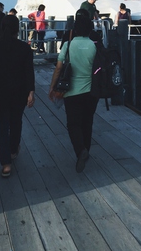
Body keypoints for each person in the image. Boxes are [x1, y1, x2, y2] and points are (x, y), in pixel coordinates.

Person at [0, 15, 35, 178]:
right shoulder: (24, 48)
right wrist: (31, 92)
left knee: (1, 126)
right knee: (16, 122)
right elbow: (29, 72)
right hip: (19, 93)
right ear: (17, 29)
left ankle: (5, 164)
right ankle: (13, 150)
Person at [49, 9, 98, 173]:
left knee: (73, 124)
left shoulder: (68, 45)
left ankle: (80, 150)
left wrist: (52, 87)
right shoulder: (93, 46)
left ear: (75, 30)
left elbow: (58, 68)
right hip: (91, 92)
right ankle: (86, 151)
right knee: (87, 122)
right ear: (90, 30)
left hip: (71, 92)